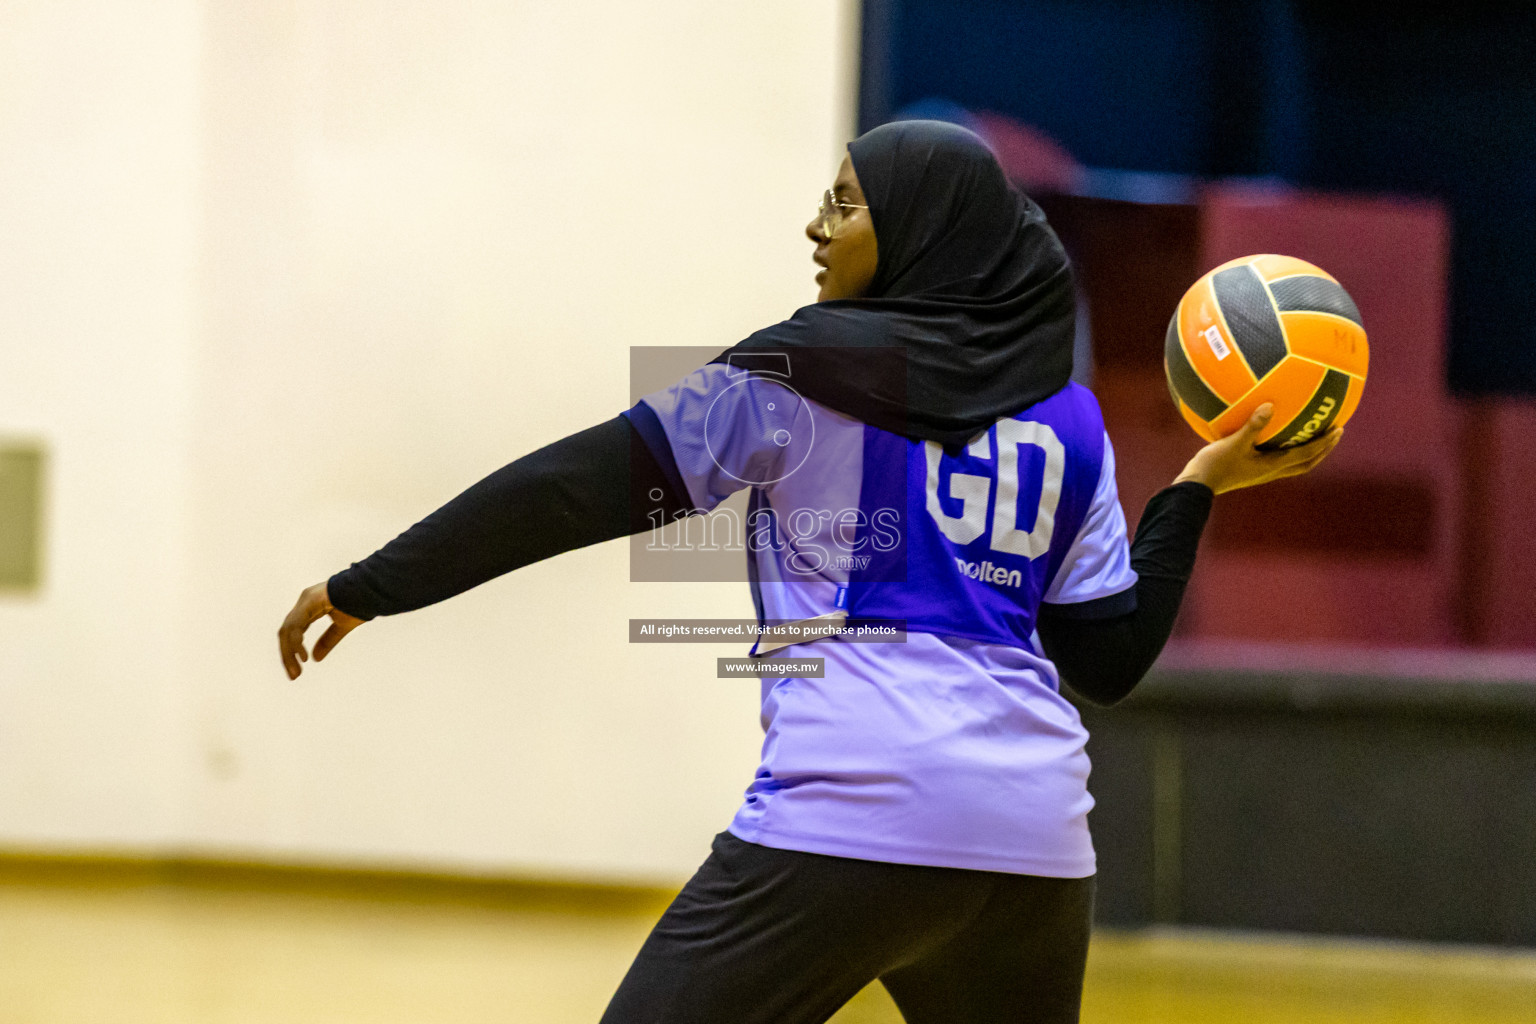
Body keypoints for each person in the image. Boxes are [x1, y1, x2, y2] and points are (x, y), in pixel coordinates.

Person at [278, 120, 1341, 1023]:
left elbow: (576, 488)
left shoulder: (804, 374)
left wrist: (374, 581)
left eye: (845, 204)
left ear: (920, 232)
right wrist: (1197, 483)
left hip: (856, 810)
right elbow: (1107, 659)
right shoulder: (1069, 419)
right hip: (1034, 845)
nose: (816, 227)